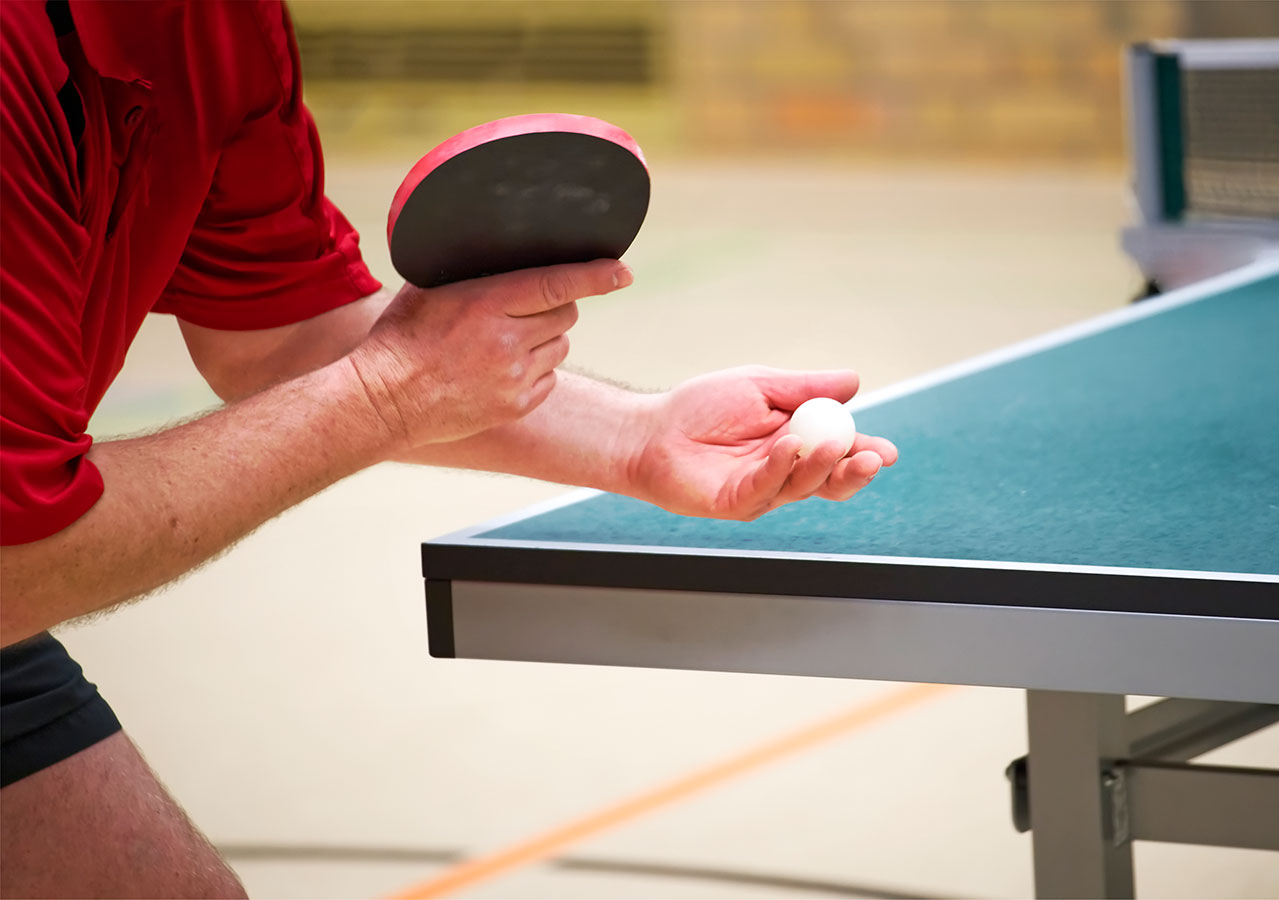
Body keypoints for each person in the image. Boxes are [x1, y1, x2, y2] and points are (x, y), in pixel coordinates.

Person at [0, 2, 897, 896]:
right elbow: (18, 563)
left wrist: (637, 438)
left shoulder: (224, 25)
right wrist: (388, 393)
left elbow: (281, 332)